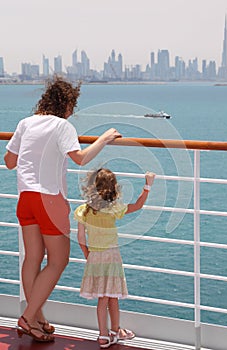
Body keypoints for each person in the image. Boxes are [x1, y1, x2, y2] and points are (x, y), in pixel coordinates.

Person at [4, 76, 121, 343]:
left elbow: (9, 161)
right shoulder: (62, 126)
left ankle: (37, 318)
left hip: (25, 197)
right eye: (73, 105)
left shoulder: (25, 123)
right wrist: (104, 138)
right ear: (66, 104)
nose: (72, 111)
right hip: (50, 200)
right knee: (58, 261)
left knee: (32, 258)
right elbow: (80, 159)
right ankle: (27, 317)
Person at [74, 168, 155, 348]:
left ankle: (105, 334)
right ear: (113, 189)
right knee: (112, 296)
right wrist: (148, 185)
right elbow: (138, 205)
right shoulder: (113, 209)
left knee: (103, 298)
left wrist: (88, 255)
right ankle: (111, 332)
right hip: (112, 256)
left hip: (94, 256)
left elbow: (81, 238)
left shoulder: (83, 211)